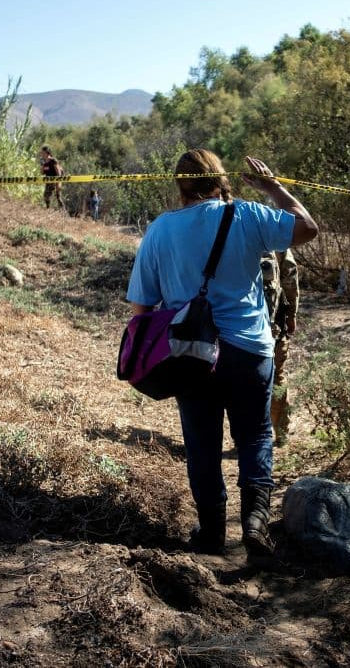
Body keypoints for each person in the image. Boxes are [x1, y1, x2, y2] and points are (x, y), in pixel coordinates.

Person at [126, 149, 319, 557]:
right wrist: (273, 188)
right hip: (250, 349)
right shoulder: (247, 215)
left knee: (202, 445)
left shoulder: (160, 231)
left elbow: (141, 309)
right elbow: (307, 228)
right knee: (255, 437)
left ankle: (212, 533)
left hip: (191, 355)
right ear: (220, 179)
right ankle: (254, 526)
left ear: (180, 185)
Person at [261, 248, 299, 446]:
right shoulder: (271, 230)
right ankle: (281, 433)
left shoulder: (222, 227)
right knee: (276, 376)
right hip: (273, 326)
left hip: (235, 328)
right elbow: (290, 277)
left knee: (242, 381)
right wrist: (292, 313)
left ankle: (248, 438)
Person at [39, 146, 64, 210]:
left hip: (55, 180)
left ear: (47, 153)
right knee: (46, 196)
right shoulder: (43, 162)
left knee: (58, 197)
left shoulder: (53, 160)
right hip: (48, 181)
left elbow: (59, 173)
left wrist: (58, 183)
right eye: (41, 153)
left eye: (43, 153)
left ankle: (63, 210)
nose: (42, 154)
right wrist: (42, 165)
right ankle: (48, 209)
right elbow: (42, 173)